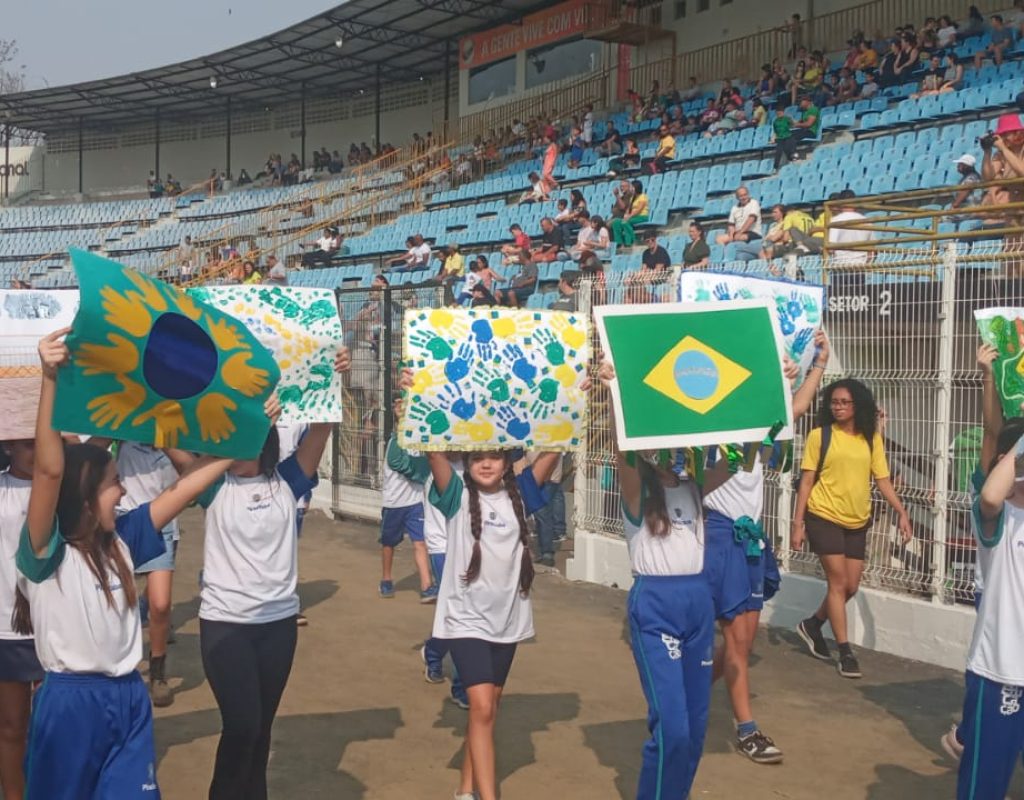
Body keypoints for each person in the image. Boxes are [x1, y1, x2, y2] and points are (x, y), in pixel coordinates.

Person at [15, 329, 243, 800]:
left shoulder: (124, 539)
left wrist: (241, 441)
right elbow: (49, 470)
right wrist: (50, 377)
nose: (122, 490)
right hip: (70, 702)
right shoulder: (45, 553)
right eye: (113, 482)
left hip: (128, 697)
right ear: (83, 496)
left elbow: (184, 489)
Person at [194, 346, 349, 800]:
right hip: (226, 625)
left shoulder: (288, 480)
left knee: (260, 730)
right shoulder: (211, 486)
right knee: (241, 725)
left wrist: (331, 378)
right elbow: (172, 439)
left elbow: (322, 427)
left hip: (278, 626)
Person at [702, 337, 829, 764]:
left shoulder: (758, 428)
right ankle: (747, 728)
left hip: (751, 537)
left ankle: (691, 695)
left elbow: (791, 411)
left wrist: (815, 368)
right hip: (718, 537)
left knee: (744, 638)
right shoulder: (707, 432)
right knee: (736, 638)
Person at [597, 358, 713, 800]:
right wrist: (613, 392)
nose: (673, 452)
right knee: (674, 729)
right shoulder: (639, 491)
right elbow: (619, 449)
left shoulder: (697, 485)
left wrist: (779, 381)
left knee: (697, 731)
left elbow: (752, 440)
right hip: (657, 606)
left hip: (699, 604)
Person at [423, 446, 560, 800]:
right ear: (466, 462)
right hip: (465, 620)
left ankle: (465, 790)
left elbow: (556, 445)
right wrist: (412, 402)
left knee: (488, 711)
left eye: (495, 457)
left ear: (508, 462)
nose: (486, 464)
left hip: (508, 620)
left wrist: (576, 399)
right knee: (481, 707)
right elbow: (433, 451)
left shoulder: (522, 493)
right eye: (477, 457)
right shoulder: (456, 494)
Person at [792, 379, 913, 679]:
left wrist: (902, 512)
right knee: (837, 582)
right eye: (834, 402)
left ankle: (812, 625)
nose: (838, 407)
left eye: (845, 402)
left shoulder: (871, 439)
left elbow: (883, 479)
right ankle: (845, 652)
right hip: (823, 516)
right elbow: (806, 481)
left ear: (858, 404)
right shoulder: (820, 436)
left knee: (851, 586)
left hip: (858, 520)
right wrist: (798, 523)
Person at [0, 437, 40, 800]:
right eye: (27, 444)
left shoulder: (62, 485)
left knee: (50, 725)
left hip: (54, 624)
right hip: (6, 628)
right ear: (7, 446)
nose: (37, 451)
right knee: (12, 726)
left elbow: (98, 443)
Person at [379, 400, 435, 602]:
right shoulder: (396, 441)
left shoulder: (422, 442)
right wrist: (420, 472)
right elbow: (398, 463)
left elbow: (427, 464)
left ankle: (426, 585)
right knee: (389, 543)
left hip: (415, 503)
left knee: (420, 542)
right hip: (394, 503)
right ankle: (386, 578)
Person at [626, 234, 671, 303]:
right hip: (649, 275)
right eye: (647, 241)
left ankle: (641, 299)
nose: (650, 242)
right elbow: (643, 269)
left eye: (652, 240)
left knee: (639, 280)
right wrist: (633, 276)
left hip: (661, 276)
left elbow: (657, 270)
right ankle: (631, 299)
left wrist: (647, 272)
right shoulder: (645, 253)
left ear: (655, 240)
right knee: (631, 281)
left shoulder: (661, 251)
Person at [610, 180, 650, 247]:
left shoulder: (643, 197)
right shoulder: (632, 198)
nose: (631, 189)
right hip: (633, 217)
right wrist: (626, 214)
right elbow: (629, 208)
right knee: (616, 222)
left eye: (632, 187)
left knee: (625, 222)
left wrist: (629, 216)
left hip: (642, 217)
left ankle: (631, 241)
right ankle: (619, 242)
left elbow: (638, 210)